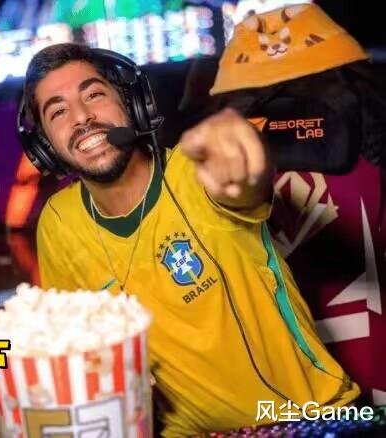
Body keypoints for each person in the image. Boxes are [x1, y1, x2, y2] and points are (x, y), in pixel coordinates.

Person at [21, 43, 360, 436]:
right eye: (58, 112)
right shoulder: (59, 222)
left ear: (133, 105)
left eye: (94, 94)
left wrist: (241, 152)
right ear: (45, 146)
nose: (81, 117)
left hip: (308, 421)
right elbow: (80, 355)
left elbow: (241, 184)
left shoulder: (195, 171)